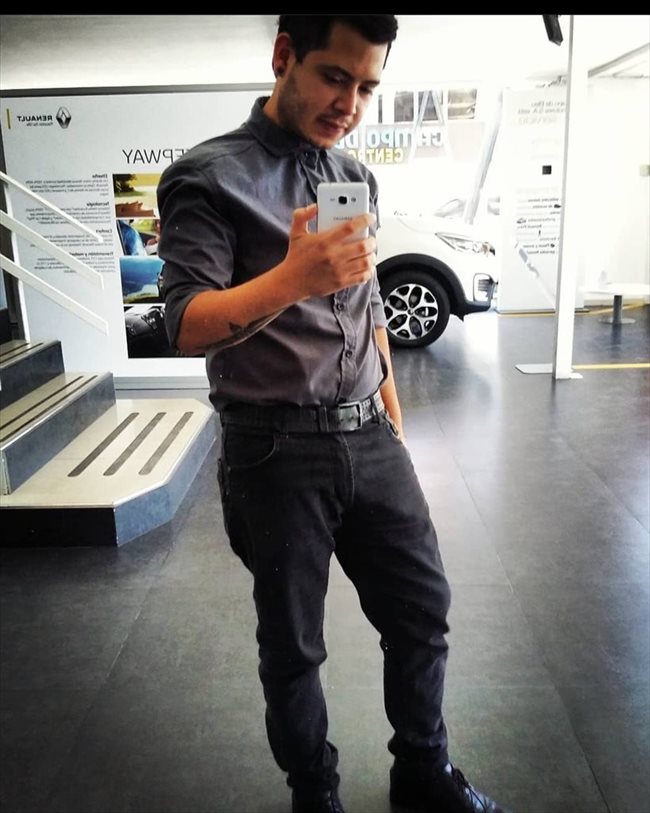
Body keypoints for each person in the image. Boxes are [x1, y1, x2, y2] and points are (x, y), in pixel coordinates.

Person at [157, 15, 511, 813]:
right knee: (294, 646)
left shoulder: (353, 174)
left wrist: (391, 414)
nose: (349, 103)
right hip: (274, 448)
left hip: (370, 435)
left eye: (367, 87)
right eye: (333, 77)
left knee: (422, 610)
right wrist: (293, 277)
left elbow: (366, 300)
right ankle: (314, 790)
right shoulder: (206, 177)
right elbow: (184, 323)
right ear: (284, 56)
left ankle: (423, 769)